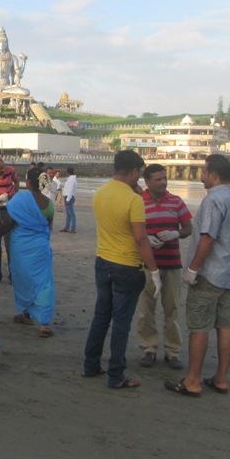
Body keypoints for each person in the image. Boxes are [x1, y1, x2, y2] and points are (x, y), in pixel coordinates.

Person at [167, 154, 230, 397]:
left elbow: (208, 237)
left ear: (214, 175)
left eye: (203, 172)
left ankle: (193, 380)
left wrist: (193, 268)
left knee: (199, 326)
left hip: (211, 272)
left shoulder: (214, 200)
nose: (201, 177)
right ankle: (221, 378)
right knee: (225, 324)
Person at [81, 150, 161, 389]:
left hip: (103, 260)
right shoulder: (134, 200)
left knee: (101, 316)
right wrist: (154, 270)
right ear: (134, 171)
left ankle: (91, 364)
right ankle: (116, 374)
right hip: (127, 265)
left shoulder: (100, 193)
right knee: (121, 323)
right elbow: (140, 238)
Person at [135, 163, 193, 369]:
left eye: (164, 178)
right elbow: (132, 230)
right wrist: (146, 238)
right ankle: (148, 349)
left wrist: (175, 233)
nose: (163, 182)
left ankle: (173, 351)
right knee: (146, 310)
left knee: (172, 309)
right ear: (147, 182)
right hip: (146, 265)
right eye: (158, 179)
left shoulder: (176, 202)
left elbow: (188, 227)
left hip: (172, 264)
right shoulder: (138, 202)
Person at [4, 167, 56, 337]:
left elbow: (9, 222)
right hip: (41, 248)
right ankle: (44, 324)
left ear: (28, 182)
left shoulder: (19, 199)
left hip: (21, 248)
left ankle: (26, 314)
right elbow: (49, 227)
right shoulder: (49, 204)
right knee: (44, 283)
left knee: (23, 279)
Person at [61, 166, 78, 233]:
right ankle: (67, 227)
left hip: (69, 197)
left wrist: (68, 199)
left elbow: (70, 190)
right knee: (68, 214)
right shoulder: (72, 179)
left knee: (71, 214)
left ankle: (73, 229)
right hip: (68, 197)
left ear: (67, 172)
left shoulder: (71, 180)